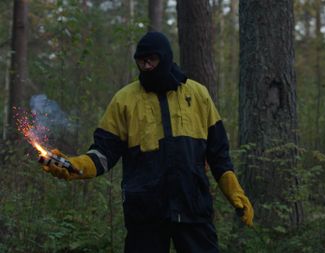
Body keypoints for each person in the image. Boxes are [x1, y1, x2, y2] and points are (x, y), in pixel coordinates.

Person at [43, 31, 254, 253]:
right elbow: (103, 154)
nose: (146, 66)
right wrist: (75, 166)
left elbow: (219, 155)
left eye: (151, 60)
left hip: (193, 209)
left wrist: (235, 195)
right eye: (141, 61)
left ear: (165, 58)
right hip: (144, 215)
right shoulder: (124, 100)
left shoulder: (198, 94)